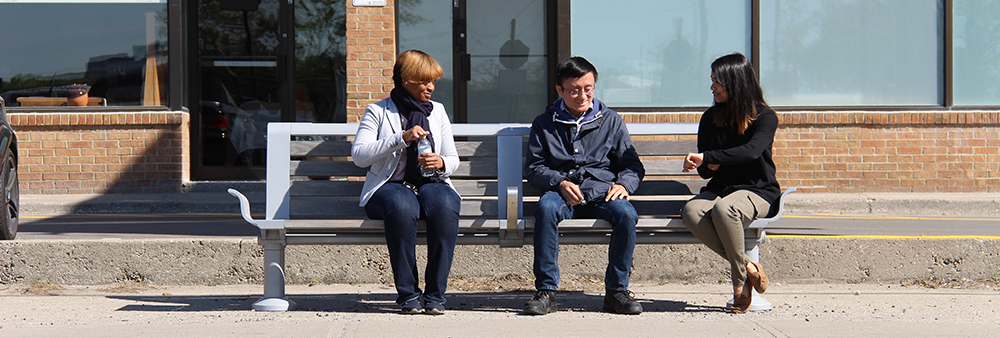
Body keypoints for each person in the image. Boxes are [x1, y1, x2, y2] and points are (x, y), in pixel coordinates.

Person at [523, 56, 645, 315]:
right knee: (546, 207)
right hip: (562, 193)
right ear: (560, 90)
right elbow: (534, 169)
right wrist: (559, 181)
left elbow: (632, 165)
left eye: (588, 89)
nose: (582, 95)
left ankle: (617, 292)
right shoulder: (544, 123)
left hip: (602, 193)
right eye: (574, 90)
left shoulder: (611, 121)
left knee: (626, 213)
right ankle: (546, 291)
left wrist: (624, 184)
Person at [352, 50, 460, 315]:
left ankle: (435, 295)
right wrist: (400, 138)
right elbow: (359, 156)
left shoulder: (438, 112)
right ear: (405, 80)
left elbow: (452, 157)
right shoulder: (378, 111)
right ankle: (408, 294)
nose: (431, 87)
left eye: (433, 81)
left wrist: (442, 163)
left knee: (446, 204)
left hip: (431, 183)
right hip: (389, 186)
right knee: (402, 205)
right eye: (424, 81)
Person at [681, 52, 780, 314]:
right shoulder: (709, 118)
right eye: (712, 80)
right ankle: (748, 267)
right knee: (691, 211)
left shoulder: (765, 117)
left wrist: (710, 157)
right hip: (721, 188)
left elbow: (751, 151)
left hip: (756, 190)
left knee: (726, 209)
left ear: (736, 82)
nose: (712, 87)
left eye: (717, 82)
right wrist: (701, 164)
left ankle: (739, 286)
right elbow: (707, 174)